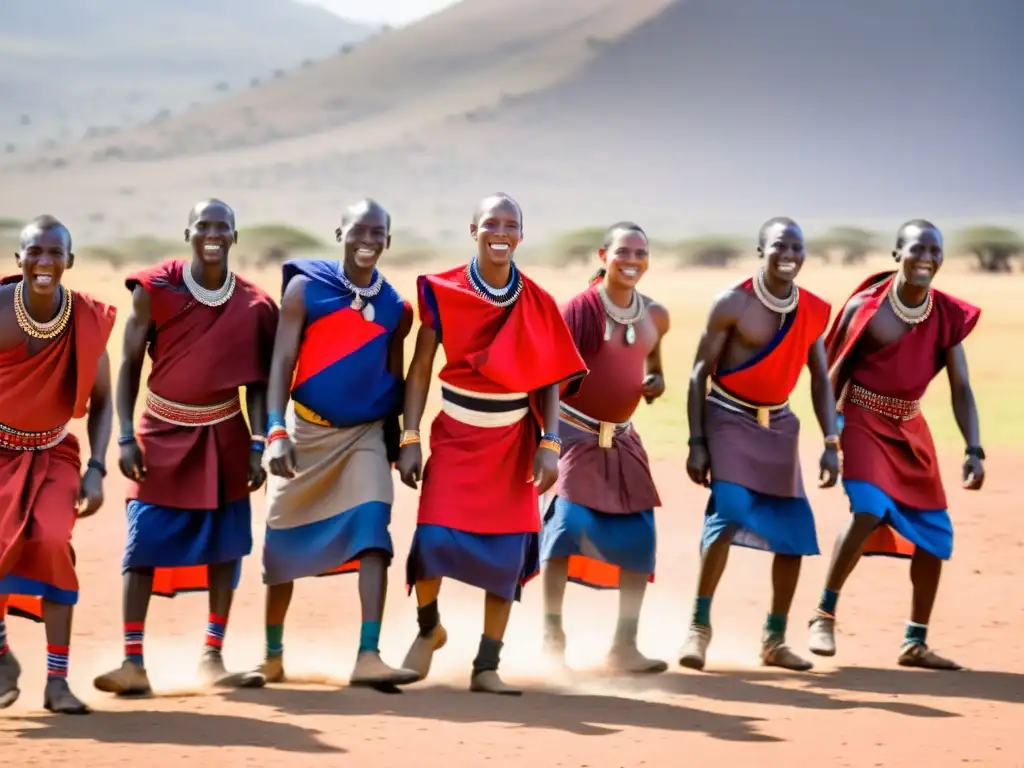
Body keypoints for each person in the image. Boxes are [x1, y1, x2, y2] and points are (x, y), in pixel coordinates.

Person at [396, 193, 587, 695]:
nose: (500, 232)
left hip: (512, 443)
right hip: (456, 436)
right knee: (434, 540)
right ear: (473, 229)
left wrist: (550, 441)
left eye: (511, 224)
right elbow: (419, 368)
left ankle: (486, 665)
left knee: (504, 556)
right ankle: (428, 630)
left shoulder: (539, 301)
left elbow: (548, 378)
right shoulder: (443, 291)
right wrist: (410, 435)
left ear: (521, 234)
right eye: (491, 223)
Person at [92, 199, 279, 697]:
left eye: (223, 227)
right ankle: (133, 661)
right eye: (204, 226)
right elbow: (129, 362)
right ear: (188, 233)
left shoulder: (256, 306)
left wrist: (260, 446)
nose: (213, 234)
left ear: (235, 237)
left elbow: (258, 384)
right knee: (142, 543)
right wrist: (126, 435)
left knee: (226, 546)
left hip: (226, 435)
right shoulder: (156, 290)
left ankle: (212, 657)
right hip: (160, 434)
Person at [254, 199, 418, 689]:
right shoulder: (306, 289)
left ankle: (369, 655)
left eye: (377, 233)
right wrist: (274, 431)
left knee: (374, 530)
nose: (367, 241)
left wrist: (405, 439)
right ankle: (272, 656)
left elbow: (396, 376)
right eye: (358, 231)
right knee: (280, 544)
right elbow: (281, 363)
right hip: (304, 431)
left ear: (388, 240)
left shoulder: (396, 308)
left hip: (365, 435)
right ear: (340, 233)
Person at [807, 219, 983, 670]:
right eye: (917, 250)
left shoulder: (943, 314)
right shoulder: (866, 309)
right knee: (868, 508)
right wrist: (830, 439)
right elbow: (831, 377)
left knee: (936, 536)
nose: (926, 259)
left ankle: (915, 642)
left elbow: (961, 387)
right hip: (862, 417)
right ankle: (823, 614)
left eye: (934, 252)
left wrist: (974, 448)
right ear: (896, 254)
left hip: (910, 429)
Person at [679, 217, 839, 672]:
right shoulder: (732, 302)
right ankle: (698, 627)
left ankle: (774, 639)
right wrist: (697, 441)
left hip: (780, 427)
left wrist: (831, 441)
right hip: (727, 417)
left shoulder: (811, 310)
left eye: (797, 247)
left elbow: (820, 378)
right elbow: (697, 375)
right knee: (728, 511)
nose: (789, 255)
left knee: (794, 535)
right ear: (761, 250)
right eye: (779, 246)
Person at [539, 221, 670, 674]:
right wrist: (549, 441)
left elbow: (654, 372)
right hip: (575, 435)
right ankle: (552, 639)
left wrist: (653, 384)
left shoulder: (656, 316)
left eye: (640, 253)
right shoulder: (579, 310)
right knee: (563, 533)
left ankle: (624, 646)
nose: (631, 261)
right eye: (623, 252)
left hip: (624, 439)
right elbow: (551, 379)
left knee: (640, 539)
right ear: (603, 256)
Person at [0, 216, 117, 714]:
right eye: (35, 252)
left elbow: (105, 398)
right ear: (19, 258)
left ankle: (58, 681)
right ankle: (3, 656)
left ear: (70, 260)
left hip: (53, 453)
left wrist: (97, 468)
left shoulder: (86, 320)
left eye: (55, 253)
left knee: (50, 540)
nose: (45, 262)